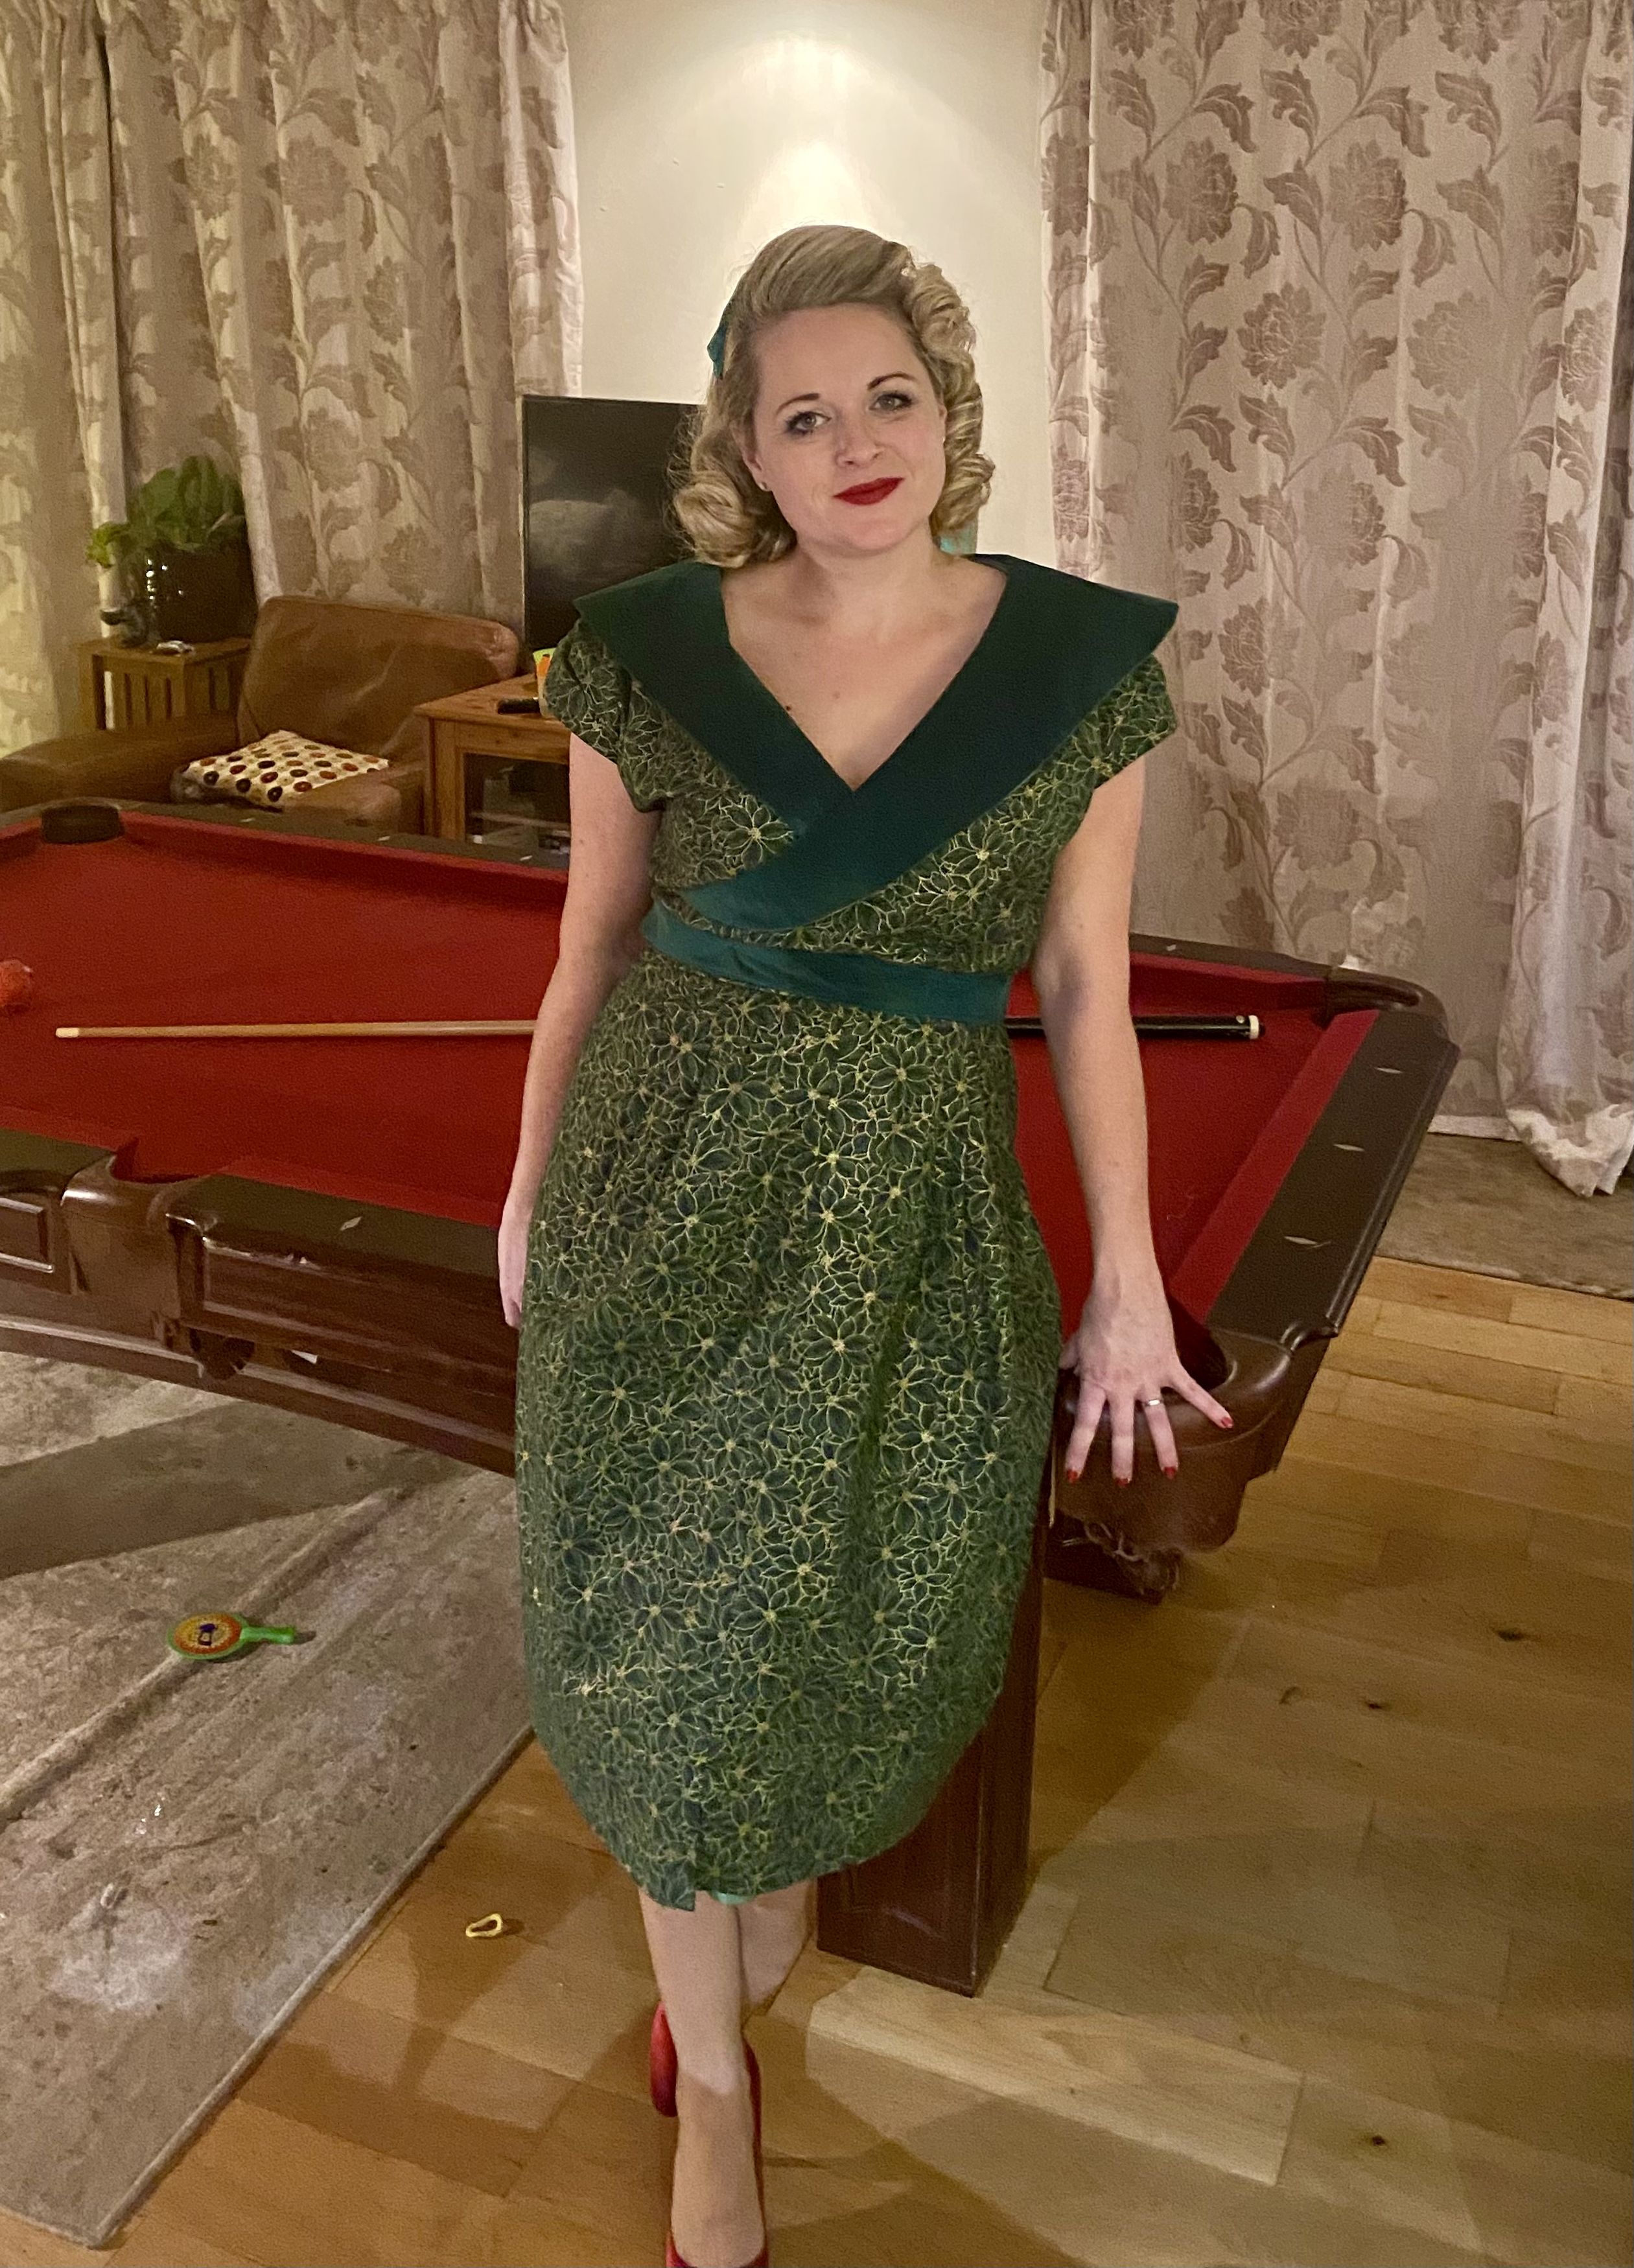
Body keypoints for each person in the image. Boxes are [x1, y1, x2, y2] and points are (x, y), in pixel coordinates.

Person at [496, 222, 1232, 2268]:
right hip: (659, 1186)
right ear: (744, 447)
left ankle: (736, 1952)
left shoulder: (1074, 671)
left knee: (848, 1627)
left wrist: (1125, 1273)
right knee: (662, 1645)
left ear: (947, 410)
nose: (855, 442)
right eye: (802, 413)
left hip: (906, 1211)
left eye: (887, 396)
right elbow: (587, 945)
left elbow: (1083, 986)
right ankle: (719, 2098)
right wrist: (531, 1180)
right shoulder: (641, 650)